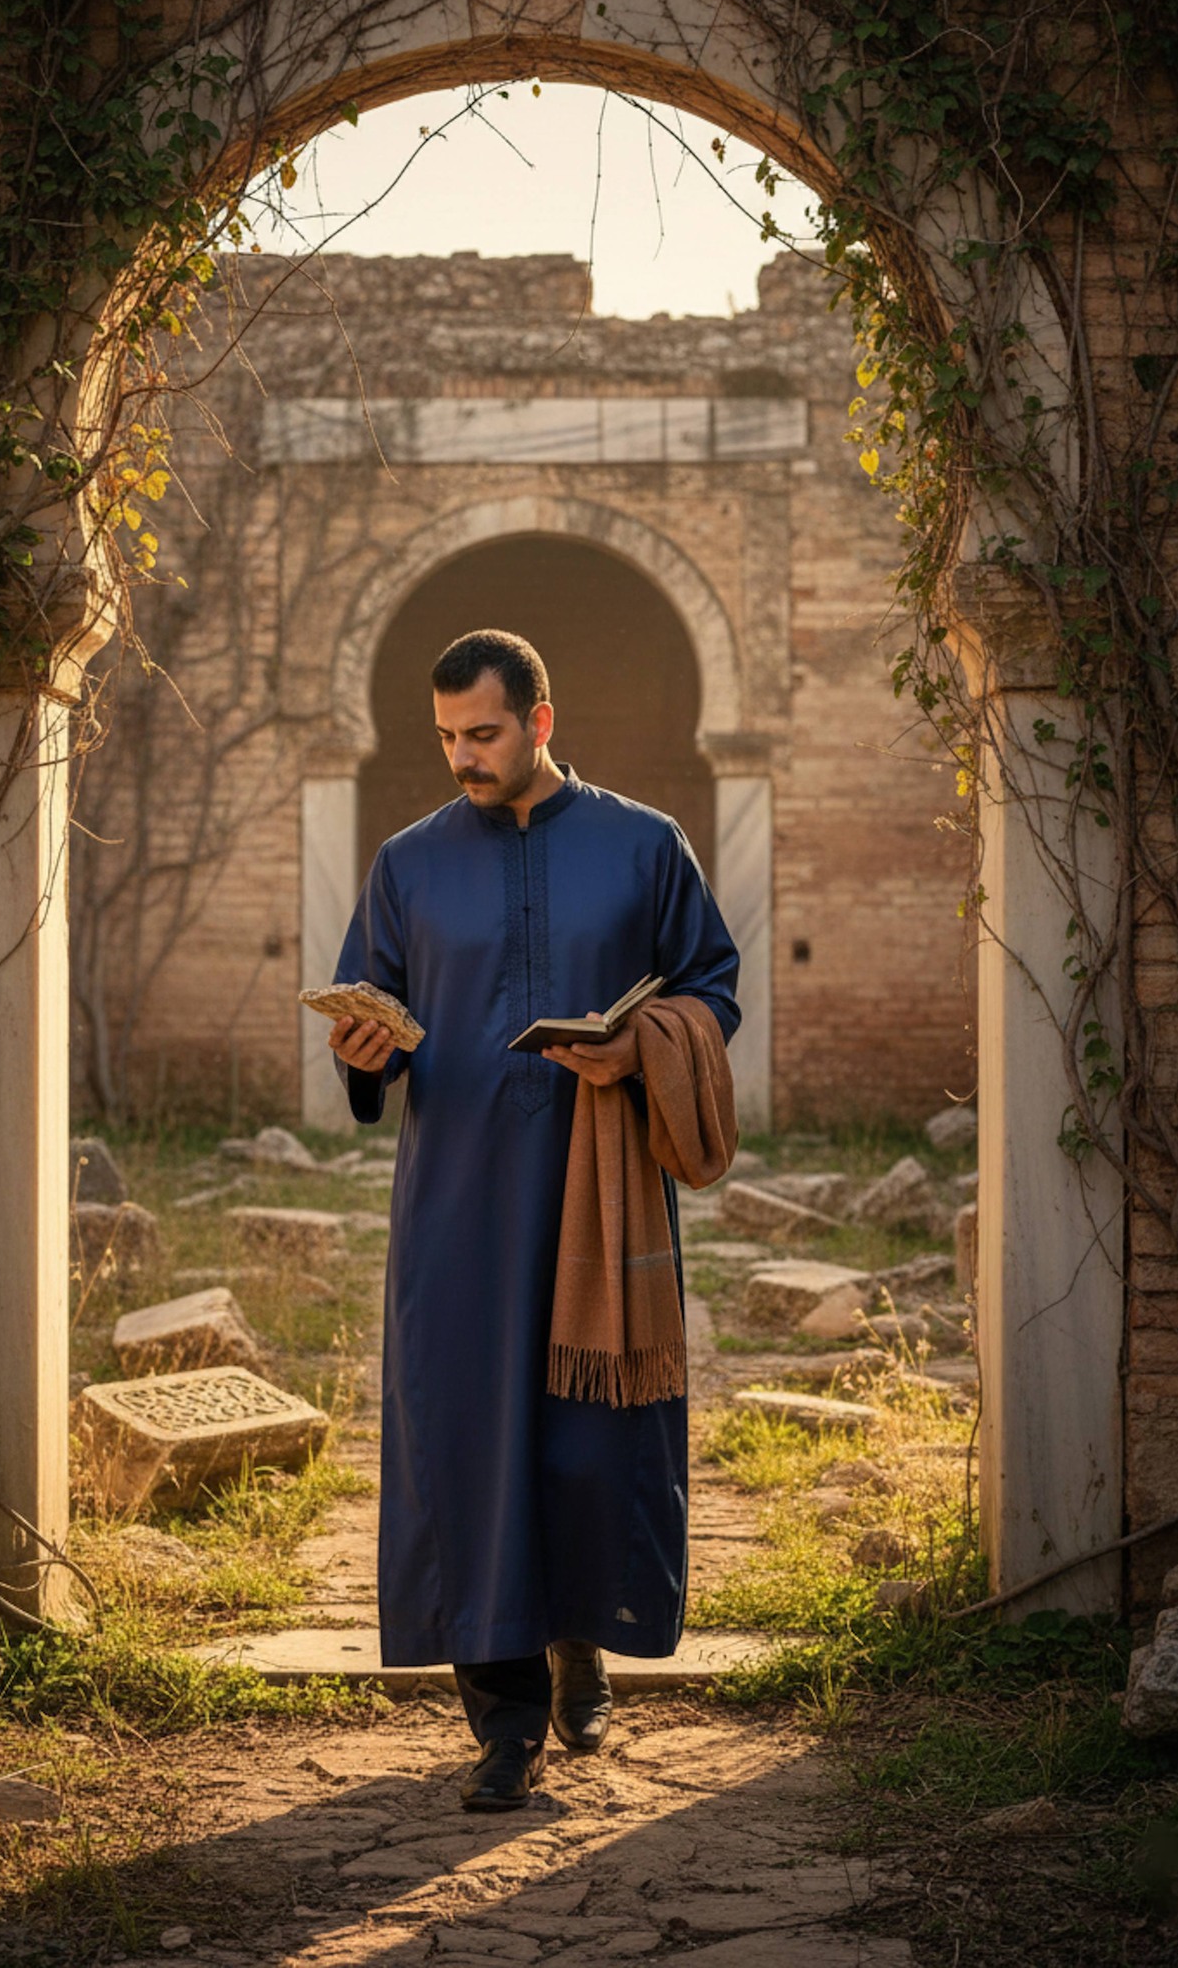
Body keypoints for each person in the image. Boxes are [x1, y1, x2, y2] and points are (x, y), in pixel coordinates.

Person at [326, 628, 740, 1810]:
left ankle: (582, 1649)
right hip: (456, 1197)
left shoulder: (644, 845)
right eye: (447, 736)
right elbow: (376, 1002)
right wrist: (363, 1044)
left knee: (585, 1432)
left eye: (484, 734)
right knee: (469, 1438)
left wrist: (639, 1049)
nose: (462, 755)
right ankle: (501, 1718)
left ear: (540, 721)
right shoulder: (407, 863)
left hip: (599, 1192)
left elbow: (710, 988)